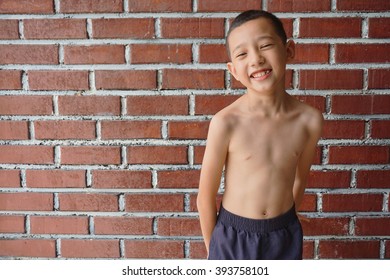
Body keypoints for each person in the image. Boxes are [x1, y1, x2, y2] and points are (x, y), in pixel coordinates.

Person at [197, 10, 323, 260]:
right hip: (233, 236)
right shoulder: (225, 122)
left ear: (289, 51)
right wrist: (215, 251)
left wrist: (286, 222)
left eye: (265, 45)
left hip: (283, 235)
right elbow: (205, 198)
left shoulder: (309, 120)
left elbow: (299, 179)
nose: (256, 59)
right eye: (242, 54)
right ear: (233, 69)